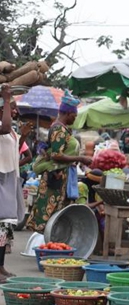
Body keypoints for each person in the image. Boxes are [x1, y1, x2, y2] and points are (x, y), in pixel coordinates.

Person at [26, 91, 92, 234]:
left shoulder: (62, 129)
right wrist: (80, 158)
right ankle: (47, 245)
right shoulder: (58, 129)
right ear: (68, 114)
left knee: (57, 213)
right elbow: (56, 155)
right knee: (51, 213)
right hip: (55, 178)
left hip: (60, 177)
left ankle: (53, 244)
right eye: (74, 115)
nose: (75, 118)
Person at [0, 85, 26, 279]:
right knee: (1, 225)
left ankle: (1, 267)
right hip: (1, 177)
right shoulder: (4, 127)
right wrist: (6, 98)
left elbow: (15, 153)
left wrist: (23, 135)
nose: (15, 110)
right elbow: (5, 126)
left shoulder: (11, 132)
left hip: (10, 177)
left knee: (4, 228)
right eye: (11, 107)